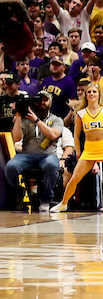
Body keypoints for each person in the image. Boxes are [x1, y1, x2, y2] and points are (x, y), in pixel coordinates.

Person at [4, 89, 64, 212]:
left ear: (50, 103)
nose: (42, 102)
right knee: (11, 166)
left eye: (45, 100)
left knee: (52, 165)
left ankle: (46, 199)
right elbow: (16, 138)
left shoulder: (56, 119)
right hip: (26, 155)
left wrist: (37, 120)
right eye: (39, 100)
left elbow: (53, 135)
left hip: (47, 155)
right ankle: (18, 193)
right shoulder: (26, 119)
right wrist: (18, 116)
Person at [54, 83, 103, 212]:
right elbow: (76, 135)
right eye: (89, 92)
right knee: (75, 177)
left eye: (94, 91)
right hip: (89, 149)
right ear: (86, 95)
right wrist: (79, 151)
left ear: (99, 94)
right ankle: (63, 203)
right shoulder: (81, 113)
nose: (91, 94)